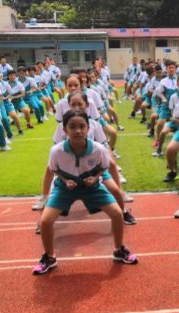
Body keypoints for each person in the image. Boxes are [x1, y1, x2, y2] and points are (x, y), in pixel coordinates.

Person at [33, 109, 138, 275]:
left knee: (117, 213)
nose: (78, 130)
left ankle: (119, 250)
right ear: (64, 130)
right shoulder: (57, 151)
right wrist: (65, 180)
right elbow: (54, 170)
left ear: (88, 128)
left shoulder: (98, 149)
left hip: (92, 187)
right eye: (72, 126)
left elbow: (104, 167)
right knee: (45, 221)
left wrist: (95, 178)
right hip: (64, 188)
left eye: (82, 126)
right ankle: (49, 257)